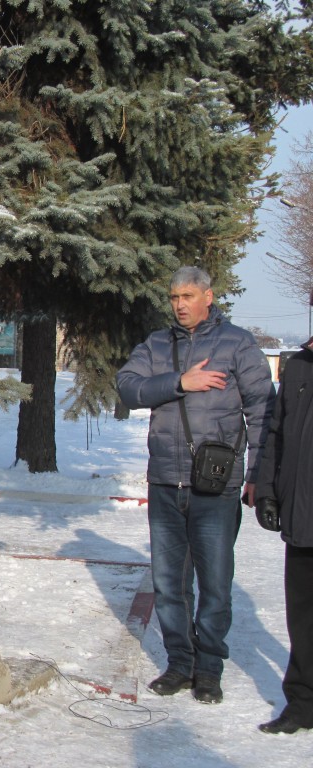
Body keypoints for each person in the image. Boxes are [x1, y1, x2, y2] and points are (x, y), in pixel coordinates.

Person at [117, 265, 275, 705]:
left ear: (208, 297)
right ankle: (179, 664)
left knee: (216, 584)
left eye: (188, 296)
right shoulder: (157, 344)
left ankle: (208, 669)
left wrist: (259, 474)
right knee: (169, 584)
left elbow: (263, 411)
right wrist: (179, 383)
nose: (180, 304)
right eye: (173, 297)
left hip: (216, 487)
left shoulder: (239, 344)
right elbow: (127, 388)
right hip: (166, 481)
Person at [254, 339, 313, 734]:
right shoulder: (298, 368)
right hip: (303, 515)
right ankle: (303, 704)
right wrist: (268, 490)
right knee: (304, 617)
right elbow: (275, 433)